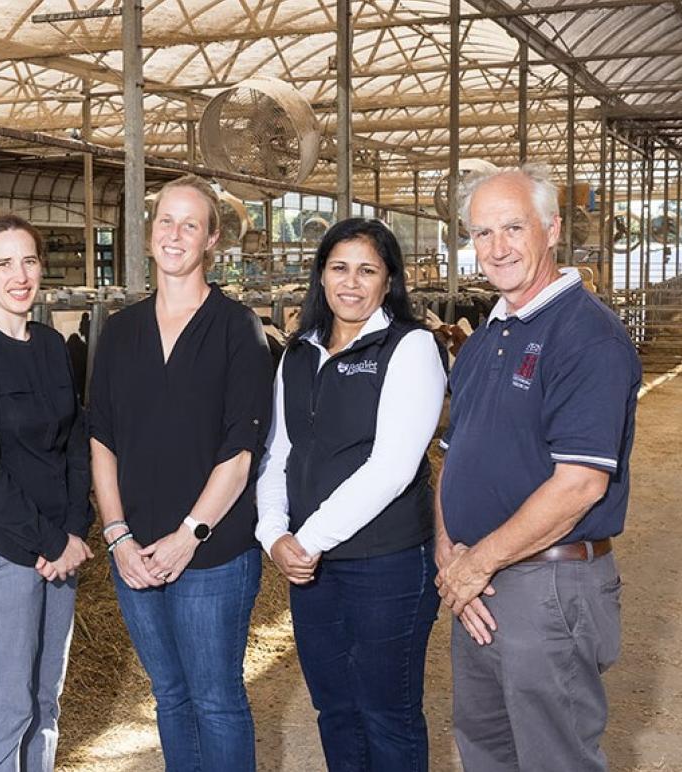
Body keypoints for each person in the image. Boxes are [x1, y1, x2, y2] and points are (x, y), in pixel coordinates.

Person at [435, 166, 641, 772]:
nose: (497, 247)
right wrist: (451, 558)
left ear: (550, 229)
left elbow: (579, 485)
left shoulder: (587, 335)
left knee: (555, 757)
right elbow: (452, 458)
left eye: (513, 227)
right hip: (481, 581)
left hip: (548, 585)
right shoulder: (482, 339)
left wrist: (477, 562)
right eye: (481, 233)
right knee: (485, 749)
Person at [89, 175, 274, 771]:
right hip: (134, 551)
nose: (175, 234)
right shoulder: (119, 331)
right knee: (169, 696)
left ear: (211, 239)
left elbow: (240, 450)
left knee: (215, 699)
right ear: (147, 235)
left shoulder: (236, 328)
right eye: (165, 221)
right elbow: (102, 440)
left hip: (212, 552)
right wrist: (116, 535)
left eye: (190, 224)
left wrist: (188, 534)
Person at [256, 217, 446, 771]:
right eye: (339, 267)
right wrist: (274, 535)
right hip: (312, 567)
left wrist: (307, 538)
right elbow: (278, 451)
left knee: (387, 712)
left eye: (368, 270)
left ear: (389, 281)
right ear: (320, 276)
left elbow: (392, 466)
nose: (352, 282)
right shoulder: (299, 352)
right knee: (334, 708)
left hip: (386, 563)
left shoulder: (409, 347)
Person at [0, 213, 93, 772]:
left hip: (59, 548)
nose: (19, 275)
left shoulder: (52, 345)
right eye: (3, 263)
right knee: (7, 705)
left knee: (45, 700)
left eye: (28, 260)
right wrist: (50, 542)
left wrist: (77, 529)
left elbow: (75, 440)